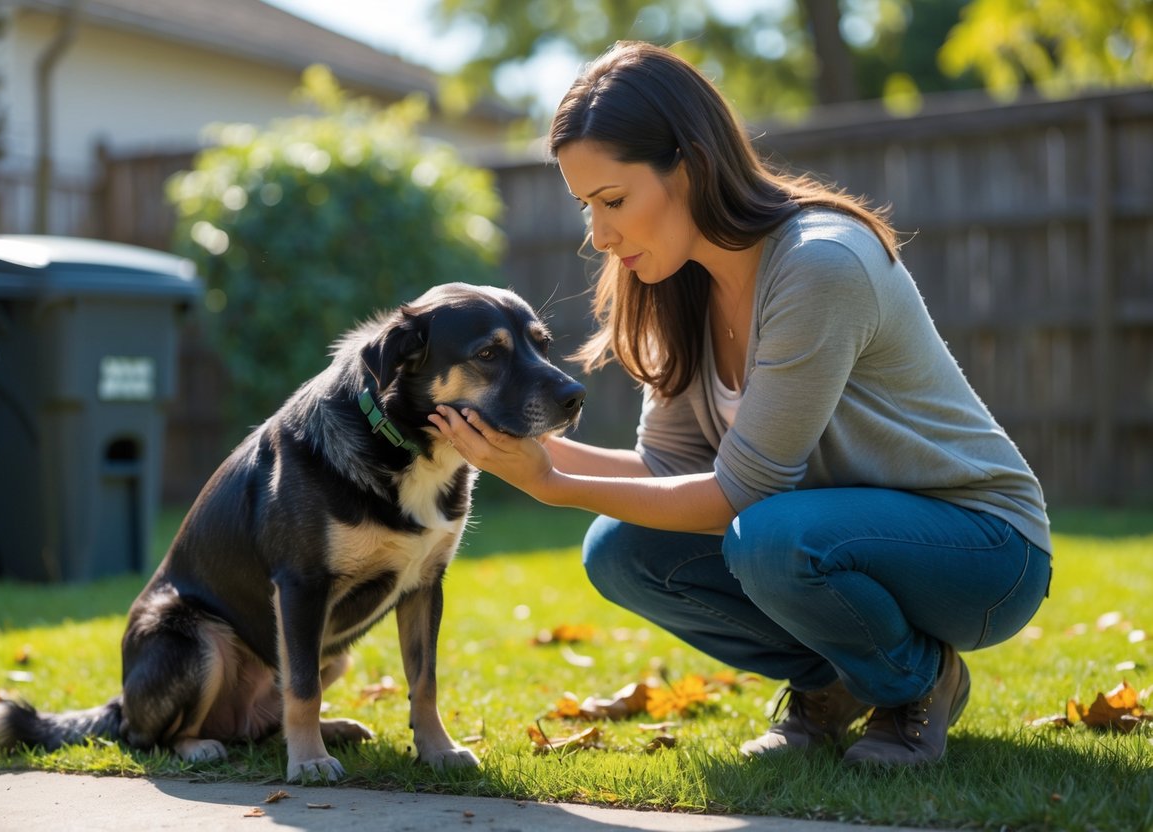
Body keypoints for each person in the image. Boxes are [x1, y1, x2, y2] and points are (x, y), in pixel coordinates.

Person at [428, 40, 1052, 767]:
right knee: (622, 550)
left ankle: (918, 682)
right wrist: (518, 447)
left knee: (769, 534)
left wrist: (551, 484)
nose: (597, 235)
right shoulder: (673, 281)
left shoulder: (820, 263)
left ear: (688, 168)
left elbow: (739, 492)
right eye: (585, 207)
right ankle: (832, 685)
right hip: (821, 537)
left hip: (981, 550)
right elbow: (665, 467)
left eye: (614, 201)